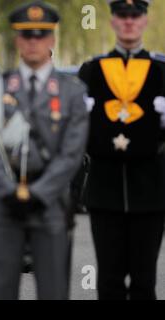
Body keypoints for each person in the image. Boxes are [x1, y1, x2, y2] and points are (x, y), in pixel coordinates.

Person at [0, 0, 89, 299]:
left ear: (52, 39)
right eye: (27, 35)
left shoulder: (72, 92)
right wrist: (9, 192)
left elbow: (71, 154)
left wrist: (38, 194)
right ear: (17, 39)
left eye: (41, 35)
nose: (33, 42)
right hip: (3, 207)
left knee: (53, 292)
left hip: (50, 205)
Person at [79, 0, 165, 300]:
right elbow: (78, 134)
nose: (129, 21)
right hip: (106, 191)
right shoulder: (92, 71)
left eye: (135, 15)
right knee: (109, 282)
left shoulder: (160, 71)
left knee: (145, 282)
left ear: (144, 20)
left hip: (151, 192)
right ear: (113, 21)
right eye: (122, 15)